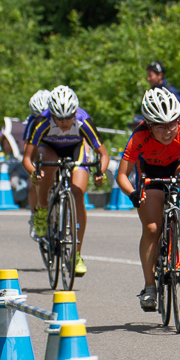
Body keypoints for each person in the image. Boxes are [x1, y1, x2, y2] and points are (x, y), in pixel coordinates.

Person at [116, 88, 180, 311]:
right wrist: (133, 195)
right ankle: (149, 286)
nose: (168, 131)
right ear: (148, 124)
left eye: (172, 124)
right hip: (150, 174)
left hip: (177, 165)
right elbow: (122, 175)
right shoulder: (139, 137)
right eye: (161, 126)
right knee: (152, 229)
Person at [23, 85, 109, 277]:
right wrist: (33, 172)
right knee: (50, 166)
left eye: (68, 117)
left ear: (75, 112)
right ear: (51, 114)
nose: (64, 122)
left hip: (75, 148)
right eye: (59, 118)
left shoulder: (83, 120)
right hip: (48, 148)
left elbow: (103, 155)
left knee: (78, 193)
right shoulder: (41, 122)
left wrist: (100, 172)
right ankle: (43, 210)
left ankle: (77, 254)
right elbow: (27, 158)